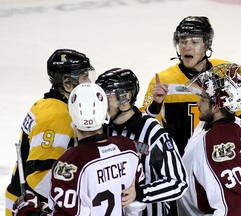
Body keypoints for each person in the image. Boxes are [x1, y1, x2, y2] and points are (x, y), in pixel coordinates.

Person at [142, 16, 241, 215]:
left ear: (207, 44)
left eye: (194, 41)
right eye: (183, 41)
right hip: (182, 169)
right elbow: (146, 128)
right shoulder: (163, 81)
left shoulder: (225, 73)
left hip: (219, 157)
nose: (187, 47)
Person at [6, 48, 95, 215]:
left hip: (28, 202)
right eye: (84, 77)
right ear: (68, 83)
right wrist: (77, 200)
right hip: (32, 207)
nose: (89, 82)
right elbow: (39, 176)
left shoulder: (49, 104)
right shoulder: (57, 115)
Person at [96, 68, 188, 216]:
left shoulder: (153, 133)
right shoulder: (102, 130)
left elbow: (178, 183)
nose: (99, 104)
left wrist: (139, 193)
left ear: (125, 98)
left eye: (106, 98)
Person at [177, 63, 241, 215]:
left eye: (203, 99)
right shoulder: (230, 123)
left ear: (217, 106)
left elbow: (237, 204)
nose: (198, 103)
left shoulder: (220, 140)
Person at [48, 82, 145, 215]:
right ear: (105, 111)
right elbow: (135, 206)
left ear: (71, 113)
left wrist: (29, 211)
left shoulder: (68, 163)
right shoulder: (128, 148)